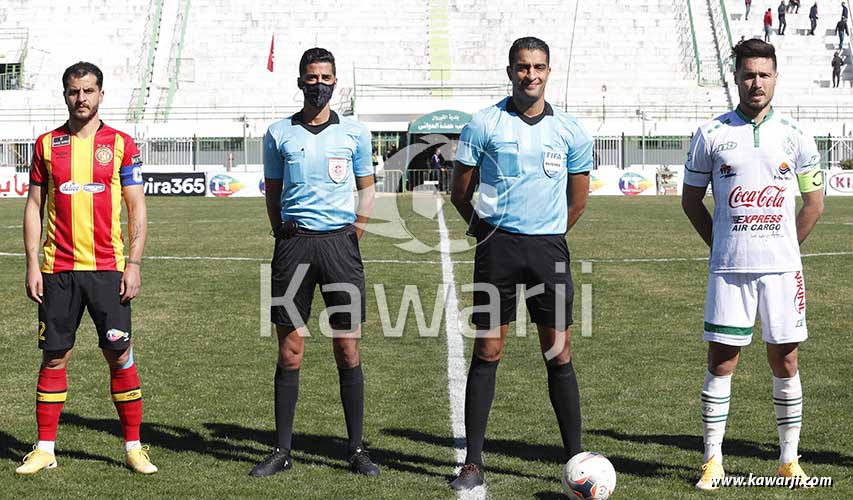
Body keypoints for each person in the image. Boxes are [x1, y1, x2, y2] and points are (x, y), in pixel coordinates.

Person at [449, 36, 593, 490]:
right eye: (522, 67)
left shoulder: (571, 131)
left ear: (549, 71)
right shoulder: (484, 123)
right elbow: (460, 191)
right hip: (499, 251)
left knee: (559, 352)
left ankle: (576, 460)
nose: (531, 75)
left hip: (548, 251)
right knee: (489, 350)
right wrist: (486, 230)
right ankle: (473, 461)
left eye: (539, 67)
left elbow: (578, 202)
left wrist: (546, 234)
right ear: (509, 71)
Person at [682, 39, 824, 491]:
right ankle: (712, 459)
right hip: (729, 270)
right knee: (722, 360)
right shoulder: (711, 134)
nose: (755, 82)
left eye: (764, 74)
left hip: (783, 271)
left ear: (776, 77)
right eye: (748, 74)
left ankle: (788, 461)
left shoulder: (797, 135)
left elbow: (815, 203)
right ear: (737, 78)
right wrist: (719, 244)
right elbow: (690, 201)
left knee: (786, 360)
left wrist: (785, 245)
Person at [18, 61, 155, 475]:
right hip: (57, 270)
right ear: (65, 95)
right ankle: (45, 449)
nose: (82, 98)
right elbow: (34, 207)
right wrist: (31, 264)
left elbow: (137, 208)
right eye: (74, 91)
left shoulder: (121, 144)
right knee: (54, 358)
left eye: (89, 91)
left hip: (108, 270)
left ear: (101, 94)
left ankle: (133, 447)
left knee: (119, 354)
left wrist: (133, 264)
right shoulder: (46, 145)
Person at [252, 47, 378, 478]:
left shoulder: (356, 133)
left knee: (347, 346)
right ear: (301, 81)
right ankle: (282, 449)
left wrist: (351, 234)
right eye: (312, 77)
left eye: (326, 77)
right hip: (295, 247)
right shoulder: (278, 133)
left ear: (335, 82)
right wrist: (282, 234)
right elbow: (273, 191)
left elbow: (366, 189)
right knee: (290, 350)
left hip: (341, 247)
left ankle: (357, 448)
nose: (319, 84)